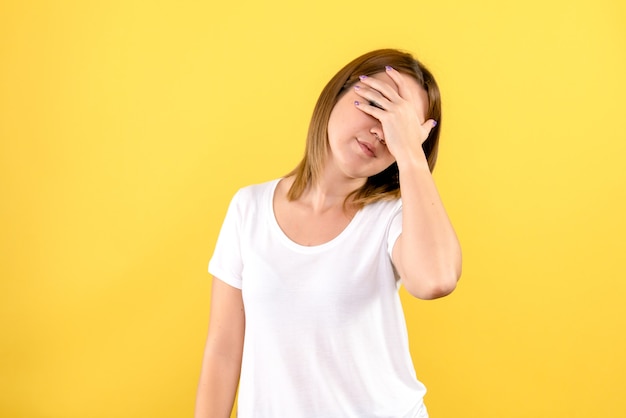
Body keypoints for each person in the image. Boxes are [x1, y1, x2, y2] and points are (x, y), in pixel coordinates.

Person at [194, 48, 462, 418]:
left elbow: (435, 279)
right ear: (337, 93)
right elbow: (223, 349)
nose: (380, 131)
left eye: (400, 126)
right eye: (376, 104)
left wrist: (411, 156)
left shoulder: (393, 218)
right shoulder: (249, 208)